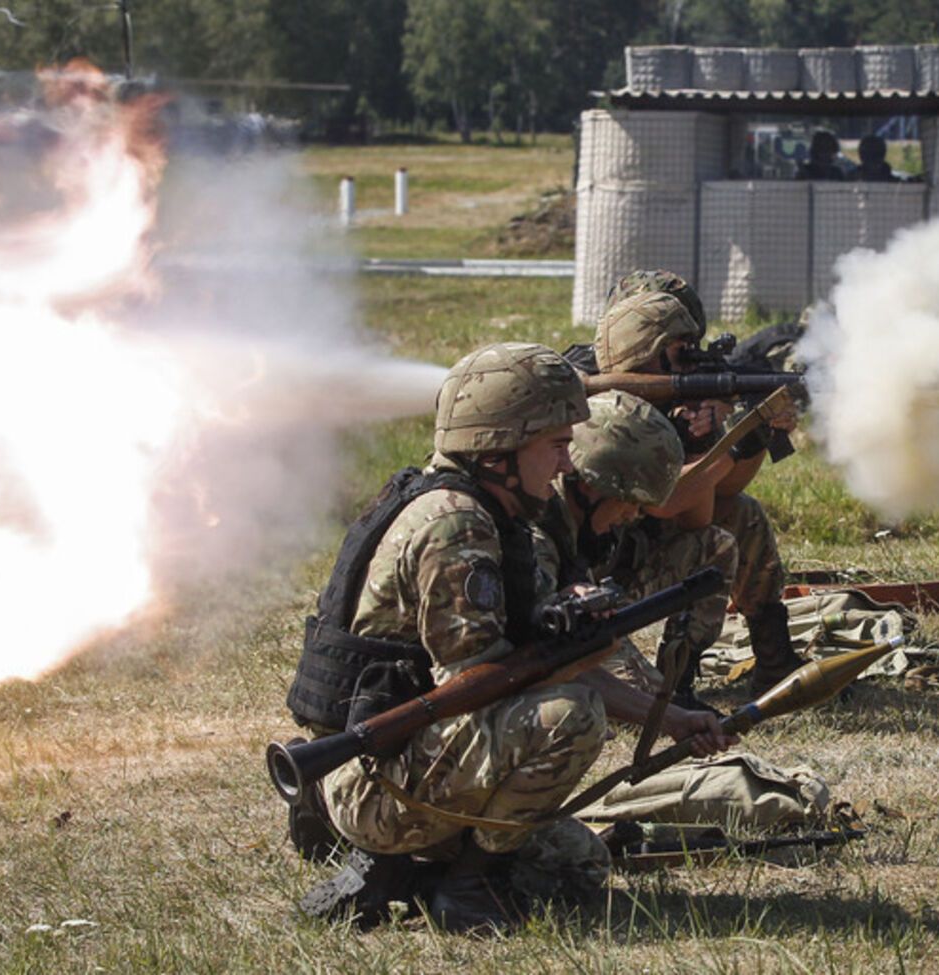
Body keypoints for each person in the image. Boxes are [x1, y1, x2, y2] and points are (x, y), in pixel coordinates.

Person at [282, 342, 734, 932]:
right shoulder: (455, 527)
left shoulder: (485, 509)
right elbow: (478, 682)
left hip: (394, 755)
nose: (568, 464)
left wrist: (663, 713)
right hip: (374, 775)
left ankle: (400, 873)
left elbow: (512, 668)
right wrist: (576, 662)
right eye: (554, 446)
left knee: (578, 866)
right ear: (499, 449)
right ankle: (465, 888)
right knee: (571, 716)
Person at [591, 290, 805, 704]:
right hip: (584, 588)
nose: (692, 359)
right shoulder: (613, 416)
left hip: (629, 560)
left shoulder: (669, 410)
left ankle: (765, 661)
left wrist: (746, 437)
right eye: (679, 351)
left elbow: (707, 510)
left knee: (740, 516)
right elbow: (663, 502)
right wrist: (727, 447)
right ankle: (668, 690)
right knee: (634, 701)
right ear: (643, 353)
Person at [535, 389, 739, 701]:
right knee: (646, 697)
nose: (632, 514)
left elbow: (698, 522)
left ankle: (681, 676)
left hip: (601, 595)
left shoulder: (588, 511)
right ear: (591, 486)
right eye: (628, 501)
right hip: (550, 637)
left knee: (715, 546)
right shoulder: (538, 531)